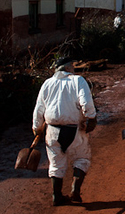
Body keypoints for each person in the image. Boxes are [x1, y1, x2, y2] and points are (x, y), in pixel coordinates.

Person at [32, 57, 98, 206]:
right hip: (74, 130)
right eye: (73, 66)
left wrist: (37, 128)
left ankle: (57, 196)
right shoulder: (78, 81)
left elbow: (39, 109)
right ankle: (75, 190)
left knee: (56, 164)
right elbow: (86, 102)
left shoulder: (47, 84)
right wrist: (91, 118)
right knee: (82, 158)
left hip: (52, 130)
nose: (74, 69)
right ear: (68, 68)